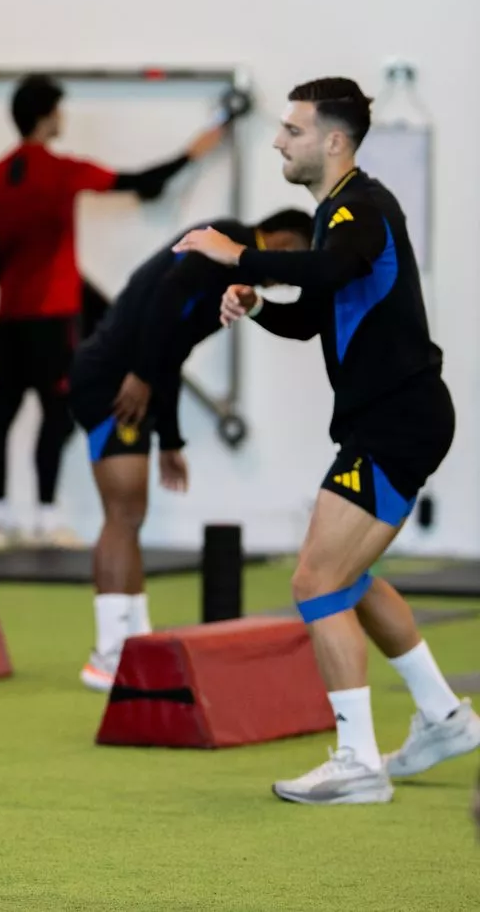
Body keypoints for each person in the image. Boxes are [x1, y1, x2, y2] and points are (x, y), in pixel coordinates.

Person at [176, 76, 480, 805]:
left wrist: (239, 256)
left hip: (397, 417)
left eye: (293, 129)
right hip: (395, 417)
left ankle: (357, 761)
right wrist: (256, 306)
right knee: (344, 576)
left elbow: (333, 269)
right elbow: (314, 311)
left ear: (334, 140)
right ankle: (442, 715)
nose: (279, 140)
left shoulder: (364, 209)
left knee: (316, 581)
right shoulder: (334, 217)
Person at [68, 208, 313, 692]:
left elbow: (173, 349)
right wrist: (138, 373)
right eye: (295, 266)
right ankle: (108, 655)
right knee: (123, 512)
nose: (288, 284)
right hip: (109, 380)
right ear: (282, 241)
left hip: (130, 379)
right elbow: (164, 300)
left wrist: (171, 438)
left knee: (130, 514)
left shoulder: (237, 277)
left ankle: (132, 643)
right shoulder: (226, 242)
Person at [0, 74, 225, 548]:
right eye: (58, 110)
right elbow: (140, 181)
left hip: (9, 317)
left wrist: (16, 288)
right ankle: (46, 520)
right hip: (52, 318)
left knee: (2, 414)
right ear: (47, 115)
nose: (62, 118)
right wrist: (195, 152)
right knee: (56, 414)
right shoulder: (59, 171)